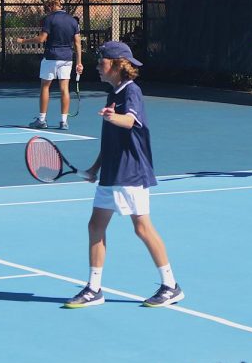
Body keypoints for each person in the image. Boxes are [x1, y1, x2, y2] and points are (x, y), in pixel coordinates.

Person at [64, 41, 184, 309]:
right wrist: (95, 169)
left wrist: (112, 117)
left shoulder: (132, 92)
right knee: (95, 225)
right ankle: (94, 288)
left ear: (116, 65)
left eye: (101, 61)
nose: (97, 65)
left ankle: (170, 285)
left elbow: (129, 121)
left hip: (131, 172)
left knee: (142, 227)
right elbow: (111, 140)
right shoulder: (113, 95)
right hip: (111, 172)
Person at [16, 0, 83, 130]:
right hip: (67, 58)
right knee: (64, 89)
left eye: (48, 7)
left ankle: (41, 120)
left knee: (45, 87)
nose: (47, 10)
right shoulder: (73, 21)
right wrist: (79, 62)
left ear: (52, 6)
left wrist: (23, 40)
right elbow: (78, 43)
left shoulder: (49, 19)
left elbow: (41, 39)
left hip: (51, 57)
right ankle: (64, 122)